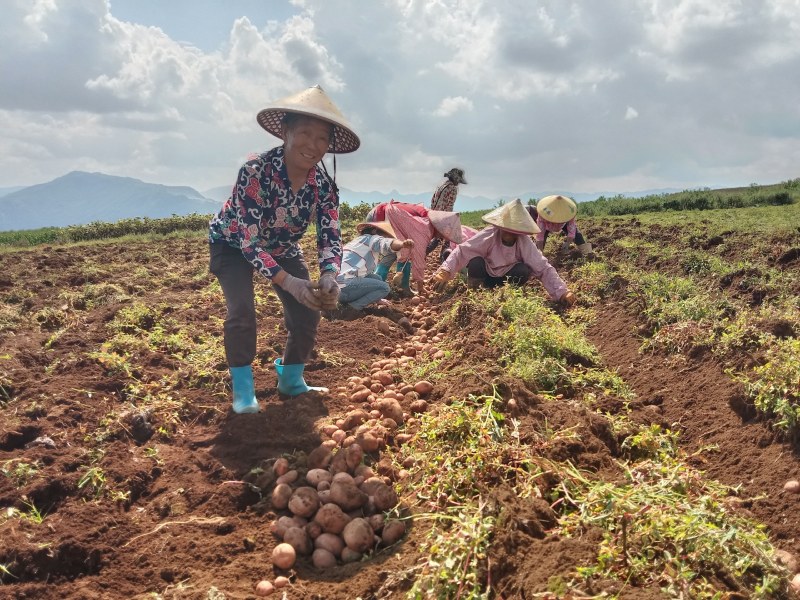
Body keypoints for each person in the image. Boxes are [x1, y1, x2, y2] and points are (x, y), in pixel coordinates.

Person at [208, 84, 359, 413]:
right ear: (286, 132)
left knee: (307, 311)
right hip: (233, 244)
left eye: (322, 138)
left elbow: (330, 233)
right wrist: (289, 282)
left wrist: (330, 274)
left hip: (282, 246)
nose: (313, 145)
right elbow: (249, 243)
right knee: (242, 312)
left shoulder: (323, 186)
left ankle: (291, 380)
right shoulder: (255, 172)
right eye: (305, 133)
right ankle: (244, 391)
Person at [430, 198, 577, 306]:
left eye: (513, 232)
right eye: (506, 231)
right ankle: (474, 295)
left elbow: (543, 267)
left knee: (524, 269)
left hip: (507, 278)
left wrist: (562, 291)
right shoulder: (489, 235)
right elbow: (462, 251)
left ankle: (508, 296)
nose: (509, 235)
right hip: (485, 276)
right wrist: (445, 270)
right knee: (476, 262)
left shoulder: (523, 241)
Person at [366, 202, 462, 297]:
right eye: (445, 234)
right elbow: (418, 259)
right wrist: (420, 285)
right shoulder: (424, 229)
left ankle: (398, 285)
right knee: (399, 251)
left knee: (403, 250)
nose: (443, 237)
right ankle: (379, 284)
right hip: (380, 217)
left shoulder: (426, 220)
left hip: (383, 214)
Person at [327, 221, 414, 319]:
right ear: (374, 231)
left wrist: (377, 299)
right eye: (384, 235)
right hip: (343, 287)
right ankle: (352, 309)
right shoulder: (372, 238)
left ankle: (343, 304)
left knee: (376, 278)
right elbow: (387, 243)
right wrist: (402, 244)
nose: (384, 238)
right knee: (384, 288)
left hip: (332, 288)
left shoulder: (357, 242)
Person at [426, 167, 467, 260]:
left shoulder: (441, 186)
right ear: (455, 179)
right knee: (446, 238)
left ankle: (426, 254)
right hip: (443, 216)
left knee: (438, 237)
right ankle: (443, 258)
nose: (458, 183)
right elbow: (449, 205)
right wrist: (450, 220)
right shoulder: (452, 188)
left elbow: (433, 200)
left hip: (433, 213)